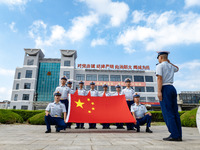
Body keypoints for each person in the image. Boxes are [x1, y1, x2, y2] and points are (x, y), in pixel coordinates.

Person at [156, 51, 182, 141]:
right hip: (172, 88)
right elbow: (177, 69)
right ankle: (178, 135)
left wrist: (159, 91)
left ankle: (174, 135)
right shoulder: (171, 66)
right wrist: (169, 62)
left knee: (168, 113)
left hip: (165, 88)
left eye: (158, 57)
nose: (158, 59)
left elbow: (159, 78)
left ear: (160, 57)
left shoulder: (159, 66)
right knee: (175, 113)